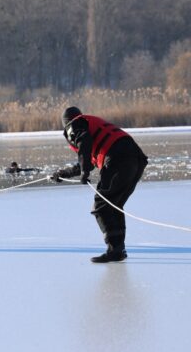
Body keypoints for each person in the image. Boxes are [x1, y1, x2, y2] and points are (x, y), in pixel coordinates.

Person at [51, 107, 148, 263]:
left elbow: (84, 141)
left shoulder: (75, 125)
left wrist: (85, 171)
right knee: (113, 204)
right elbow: (87, 155)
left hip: (118, 158)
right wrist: (63, 174)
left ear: (66, 123)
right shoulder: (89, 124)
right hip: (136, 158)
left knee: (102, 205)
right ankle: (117, 250)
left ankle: (115, 250)